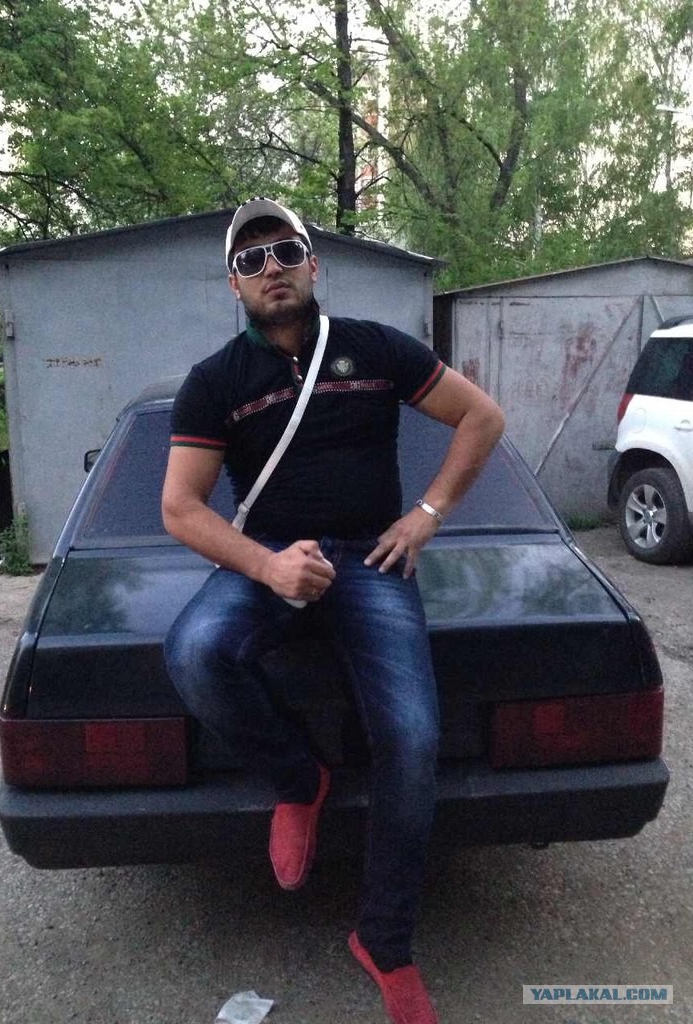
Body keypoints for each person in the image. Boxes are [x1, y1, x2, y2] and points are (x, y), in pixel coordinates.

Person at [162, 198, 505, 1024]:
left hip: (372, 559)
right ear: (234, 285)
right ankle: (298, 778)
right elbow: (180, 507)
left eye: (285, 251)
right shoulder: (215, 382)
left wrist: (426, 515)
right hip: (270, 558)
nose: (270, 269)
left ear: (314, 265)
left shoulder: (375, 349)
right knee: (195, 650)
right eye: (250, 260)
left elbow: (482, 417)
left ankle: (385, 941)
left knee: (412, 737)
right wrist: (269, 566)